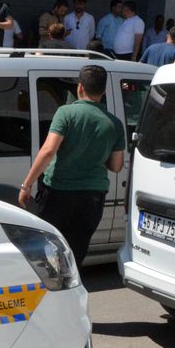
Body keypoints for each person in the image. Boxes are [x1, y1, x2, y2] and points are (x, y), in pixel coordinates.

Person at [17, 65, 125, 268]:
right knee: (74, 255)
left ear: (80, 87)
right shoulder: (115, 124)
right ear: (103, 91)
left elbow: (48, 151)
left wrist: (26, 185)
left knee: (47, 251)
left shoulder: (66, 113)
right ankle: (70, 285)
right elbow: (116, 165)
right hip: (92, 197)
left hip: (59, 193)